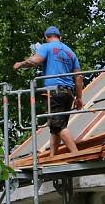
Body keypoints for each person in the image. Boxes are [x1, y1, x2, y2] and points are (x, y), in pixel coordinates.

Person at [13, 26, 83, 156]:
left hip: (54, 92)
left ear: (46, 37)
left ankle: (76, 154)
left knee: (58, 126)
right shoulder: (70, 52)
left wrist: (20, 64)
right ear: (60, 37)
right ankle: (52, 157)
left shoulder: (46, 47)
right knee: (55, 127)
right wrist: (79, 98)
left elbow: (35, 61)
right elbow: (78, 77)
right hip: (68, 94)